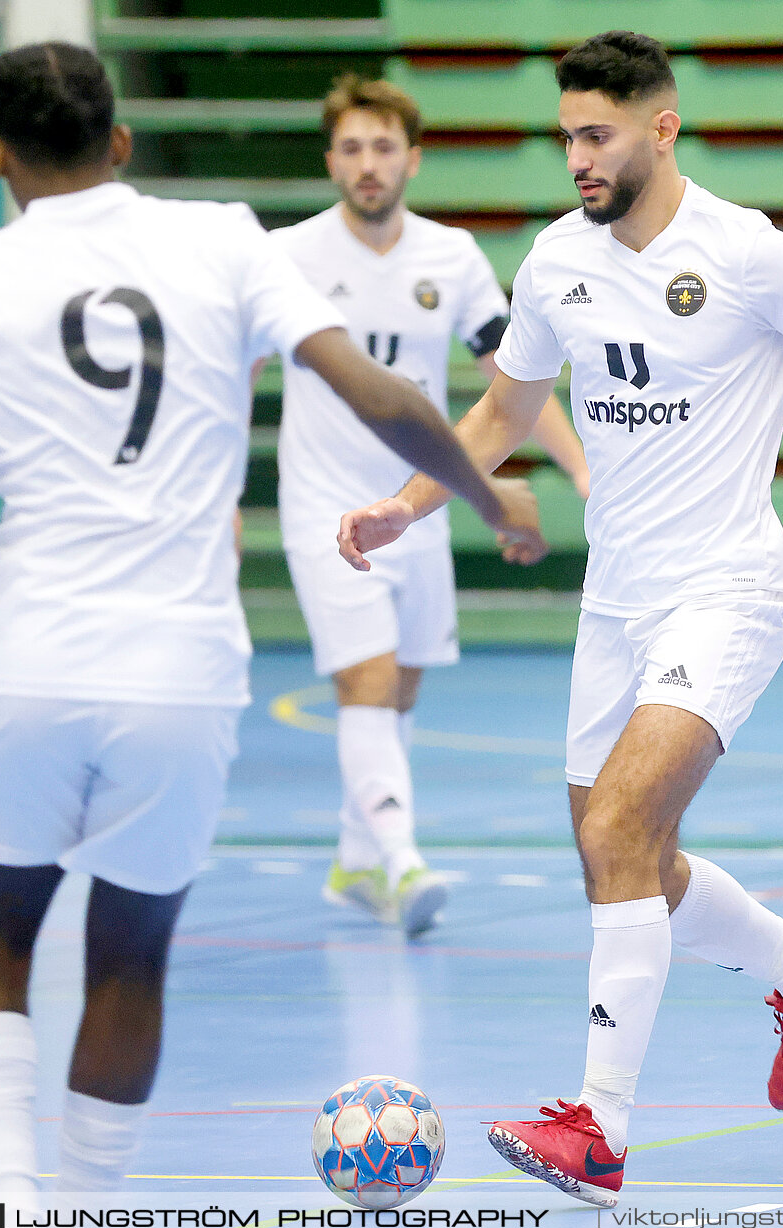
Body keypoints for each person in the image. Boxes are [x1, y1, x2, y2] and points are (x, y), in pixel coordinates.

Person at [0, 42, 541, 1217]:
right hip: (183, 669)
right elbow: (379, 393)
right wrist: (482, 491)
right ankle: (91, 1207)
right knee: (129, 956)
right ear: (120, 141)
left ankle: (8, 1201)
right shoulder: (226, 240)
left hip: (27, 656)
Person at [338, 30, 783, 1206]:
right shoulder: (555, 259)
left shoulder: (750, 253)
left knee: (618, 833)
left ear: (663, 128)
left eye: (596, 136)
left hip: (727, 590)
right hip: (616, 604)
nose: (577, 159)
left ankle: (597, 1130)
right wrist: (411, 502)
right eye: (565, 138)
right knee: (622, 855)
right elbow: (507, 404)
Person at [272, 74, 589, 937]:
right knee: (368, 681)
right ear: (329, 159)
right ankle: (404, 862)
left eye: (383, 147)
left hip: (416, 502)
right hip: (319, 506)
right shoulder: (289, 255)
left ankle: (353, 861)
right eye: (350, 148)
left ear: (412, 159)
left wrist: (581, 469)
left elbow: (510, 380)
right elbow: (230, 379)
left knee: (398, 692)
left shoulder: (448, 258)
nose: (367, 165)